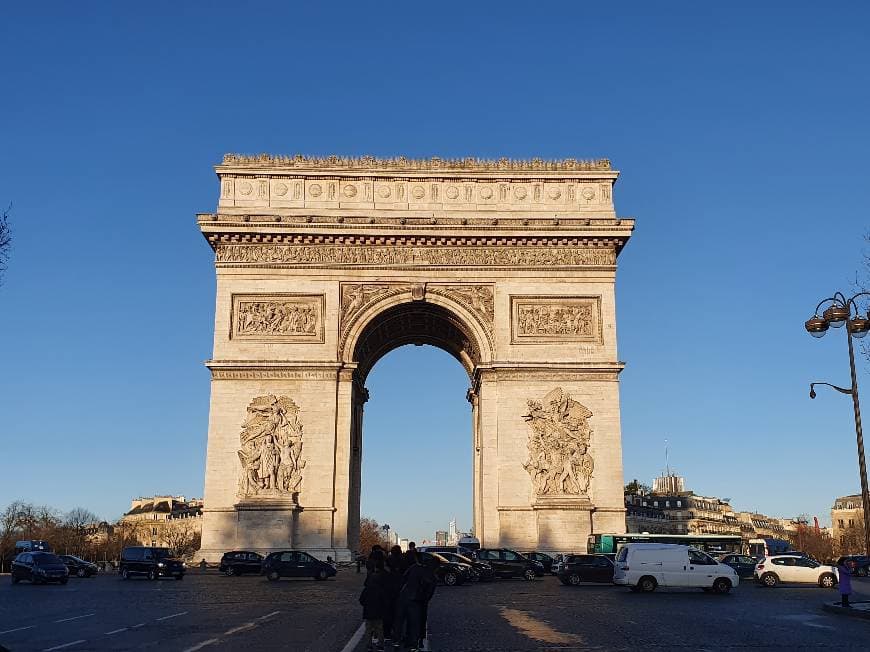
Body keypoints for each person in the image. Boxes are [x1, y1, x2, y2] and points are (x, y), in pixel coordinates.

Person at [359, 559, 388, 651]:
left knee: (368, 630)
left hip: (368, 612)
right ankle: (380, 644)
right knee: (379, 629)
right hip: (378, 612)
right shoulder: (381, 590)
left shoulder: (367, 590)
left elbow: (361, 600)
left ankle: (369, 645)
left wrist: (365, 606)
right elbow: (384, 601)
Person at [383, 546, 404, 643]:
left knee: (388, 612)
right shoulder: (402, 560)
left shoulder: (388, 561)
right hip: (399, 589)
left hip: (388, 590)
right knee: (398, 613)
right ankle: (397, 633)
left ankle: (387, 632)